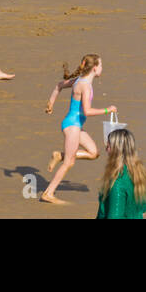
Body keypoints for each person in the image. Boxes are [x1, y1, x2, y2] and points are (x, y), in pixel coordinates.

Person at [41, 54, 115, 204]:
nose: (102, 68)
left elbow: (59, 85)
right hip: (72, 125)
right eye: (101, 65)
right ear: (94, 68)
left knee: (94, 153)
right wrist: (108, 110)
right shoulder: (85, 86)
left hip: (76, 125)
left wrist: (51, 103)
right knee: (69, 162)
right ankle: (48, 193)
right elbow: (87, 111)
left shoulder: (79, 81)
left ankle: (59, 155)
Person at [96, 128, 146, 219]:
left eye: (108, 146)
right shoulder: (139, 173)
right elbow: (143, 208)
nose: (106, 149)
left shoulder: (117, 183)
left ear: (116, 150)